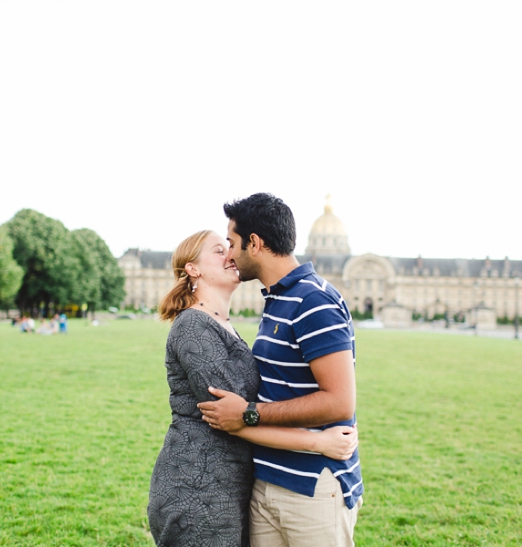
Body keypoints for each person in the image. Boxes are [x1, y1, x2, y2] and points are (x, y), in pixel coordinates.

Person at [148, 230, 358, 547]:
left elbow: (243, 412)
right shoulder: (194, 325)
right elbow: (232, 418)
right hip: (199, 485)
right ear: (193, 269)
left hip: (227, 483)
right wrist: (319, 443)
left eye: (230, 247)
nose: (231, 256)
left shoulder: (223, 322)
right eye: (220, 250)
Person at [198, 193, 364, 547]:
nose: (228, 254)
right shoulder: (278, 299)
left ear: (254, 244)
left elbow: (339, 403)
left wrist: (249, 415)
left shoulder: (314, 300)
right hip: (267, 480)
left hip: (313, 488)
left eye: (231, 243)